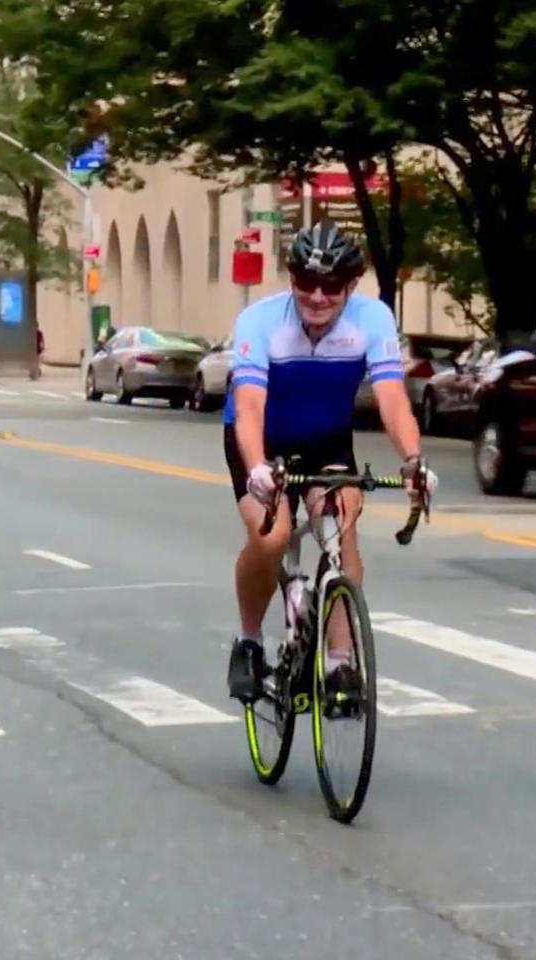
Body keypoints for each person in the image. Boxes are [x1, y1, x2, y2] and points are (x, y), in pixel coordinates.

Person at [223, 219, 437, 702]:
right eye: (306, 283)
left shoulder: (372, 318)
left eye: (331, 286)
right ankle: (250, 642)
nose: (317, 297)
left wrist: (413, 461)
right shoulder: (260, 321)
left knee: (342, 521)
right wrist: (257, 466)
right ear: (292, 280)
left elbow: (392, 400)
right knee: (272, 534)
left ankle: (340, 664)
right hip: (262, 438)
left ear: (351, 286)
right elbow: (250, 407)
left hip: (326, 439)